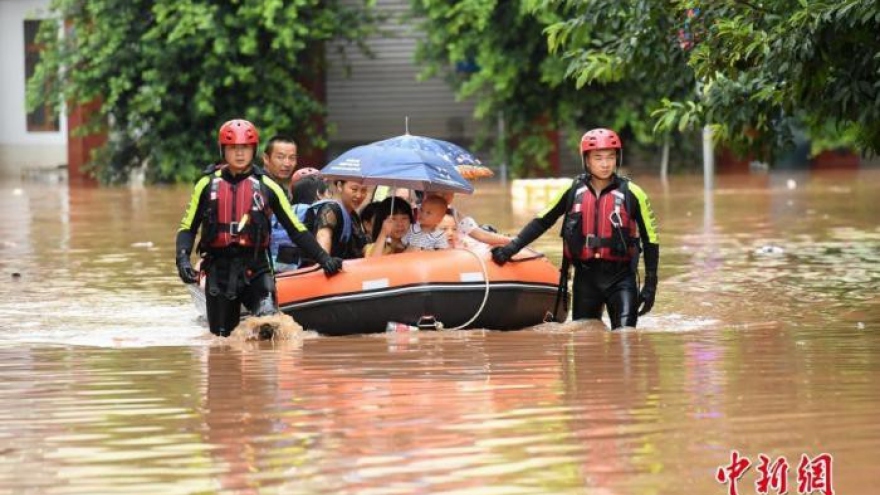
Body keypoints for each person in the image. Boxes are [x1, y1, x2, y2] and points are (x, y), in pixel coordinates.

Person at [175, 119, 343, 337]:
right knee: (221, 341)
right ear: (223, 150)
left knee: (269, 324)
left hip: (256, 269)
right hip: (219, 270)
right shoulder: (206, 185)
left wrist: (324, 259)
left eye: (244, 147)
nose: (239, 153)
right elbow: (188, 227)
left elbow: (296, 230)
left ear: (253, 150)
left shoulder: (268, 186)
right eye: (233, 148)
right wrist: (182, 259)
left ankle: (266, 365)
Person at [491, 128, 659, 330]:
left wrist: (650, 284)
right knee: (585, 345)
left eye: (610, 157)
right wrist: (511, 249)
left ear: (617, 158)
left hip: (621, 279)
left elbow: (651, 240)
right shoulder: (572, 190)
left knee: (626, 340)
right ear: (587, 160)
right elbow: (542, 221)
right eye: (598, 158)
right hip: (585, 280)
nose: (605, 164)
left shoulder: (633, 193)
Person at [313, 180, 369, 259]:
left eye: (364, 190)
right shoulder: (331, 209)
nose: (359, 195)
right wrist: (325, 261)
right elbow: (323, 235)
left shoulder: (354, 216)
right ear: (339, 186)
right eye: (354, 189)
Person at [432, 191, 511, 247]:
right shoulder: (420, 213)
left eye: (450, 192)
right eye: (442, 193)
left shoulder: (456, 215)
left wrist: (512, 241)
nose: (446, 196)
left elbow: (482, 235)